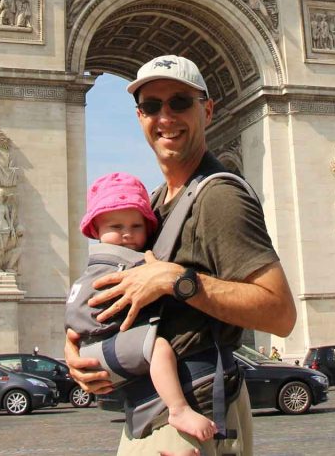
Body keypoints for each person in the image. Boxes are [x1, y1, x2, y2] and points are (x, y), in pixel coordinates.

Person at [65, 54, 296, 456]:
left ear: (207, 110)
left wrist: (176, 280)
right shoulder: (149, 208)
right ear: (139, 117)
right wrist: (76, 349)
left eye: (180, 102)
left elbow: (280, 314)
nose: (165, 117)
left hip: (194, 412)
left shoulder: (221, 197)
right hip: (149, 407)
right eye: (152, 106)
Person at [69, 172, 217, 442]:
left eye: (136, 227)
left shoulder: (95, 262)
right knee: (158, 347)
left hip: (102, 348)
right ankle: (178, 409)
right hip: (106, 346)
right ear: (96, 230)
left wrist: (74, 339)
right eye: (116, 227)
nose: (127, 234)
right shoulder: (119, 261)